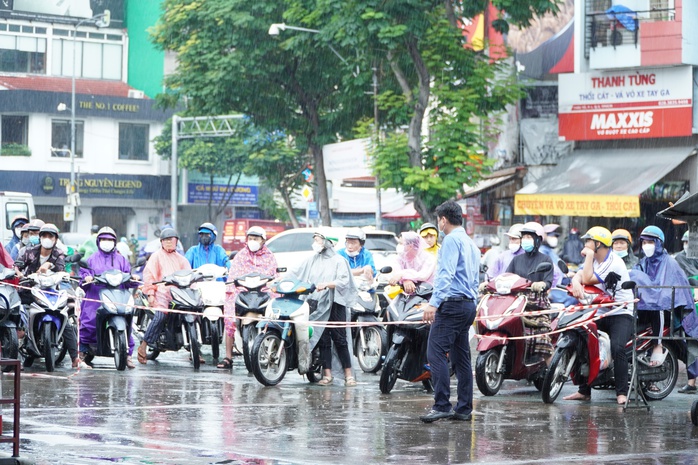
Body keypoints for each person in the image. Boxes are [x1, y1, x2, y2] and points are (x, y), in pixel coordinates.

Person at [420, 200, 479, 423]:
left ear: (443, 220)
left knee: (435, 352)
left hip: (452, 304)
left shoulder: (451, 240)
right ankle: (463, 408)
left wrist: (433, 304)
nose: (439, 224)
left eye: (439, 220)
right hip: (467, 305)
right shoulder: (470, 243)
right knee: (461, 357)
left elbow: (445, 275)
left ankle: (442, 404)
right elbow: (475, 279)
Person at [564, 226, 635, 405]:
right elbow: (580, 274)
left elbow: (587, 279)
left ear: (598, 244)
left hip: (620, 312)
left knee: (617, 347)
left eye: (588, 241)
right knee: (583, 338)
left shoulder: (613, 262)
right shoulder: (595, 260)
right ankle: (583, 390)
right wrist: (575, 280)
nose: (585, 244)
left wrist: (587, 258)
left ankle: (621, 392)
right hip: (600, 310)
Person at [289, 232, 357, 386]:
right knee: (322, 337)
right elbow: (295, 271)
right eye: (315, 240)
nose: (316, 243)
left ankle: (348, 374)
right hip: (317, 303)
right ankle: (327, 374)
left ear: (327, 241)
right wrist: (279, 279)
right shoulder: (312, 259)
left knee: (340, 338)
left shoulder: (339, 261)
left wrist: (327, 284)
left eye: (318, 240)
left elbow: (343, 281)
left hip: (334, 303)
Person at [15, 223, 80, 368]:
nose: (47, 238)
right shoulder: (30, 251)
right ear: (40, 237)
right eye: (44, 235)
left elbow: (61, 268)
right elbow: (17, 265)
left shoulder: (59, 254)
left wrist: (49, 265)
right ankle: (16, 352)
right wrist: (19, 274)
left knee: (65, 319)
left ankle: (75, 358)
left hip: (50, 292)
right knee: (18, 315)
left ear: (55, 239)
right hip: (28, 291)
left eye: (50, 236)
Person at [631, 226, 692, 368]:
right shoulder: (643, 262)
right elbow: (637, 277)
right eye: (644, 243)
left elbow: (668, 292)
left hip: (664, 309)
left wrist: (653, 295)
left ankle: (657, 344)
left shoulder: (669, 262)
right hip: (643, 306)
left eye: (650, 242)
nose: (647, 246)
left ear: (658, 243)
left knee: (657, 306)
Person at [219, 226, 277, 370]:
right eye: (250, 238)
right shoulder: (241, 255)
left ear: (263, 240)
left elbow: (274, 277)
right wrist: (233, 288)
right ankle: (228, 357)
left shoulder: (269, 257)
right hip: (242, 293)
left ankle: (273, 351)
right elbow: (233, 276)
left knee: (276, 315)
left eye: (256, 239)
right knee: (230, 317)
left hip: (263, 293)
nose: (252, 241)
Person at [79, 227, 137, 369]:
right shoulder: (91, 259)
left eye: (110, 240)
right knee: (89, 321)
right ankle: (83, 352)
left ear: (114, 242)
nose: (107, 242)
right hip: (96, 296)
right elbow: (84, 276)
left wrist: (133, 278)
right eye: (104, 239)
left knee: (127, 318)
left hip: (118, 296)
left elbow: (129, 277)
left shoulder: (122, 260)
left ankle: (127, 354)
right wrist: (86, 277)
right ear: (98, 241)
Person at [137, 228, 192, 365]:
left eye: (171, 239)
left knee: (192, 313)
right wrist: (150, 293)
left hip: (179, 295)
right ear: (161, 242)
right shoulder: (156, 257)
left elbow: (190, 277)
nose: (168, 242)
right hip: (160, 294)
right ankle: (143, 345)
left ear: (176, 241)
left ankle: (195, 350)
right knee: (160, 316)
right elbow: (149, 276)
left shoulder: (182, 259)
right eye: (165, 240)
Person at [504, 222, 555, 359]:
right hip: (516, 303)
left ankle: (550, 373)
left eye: (529, 237)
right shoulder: (516, 260)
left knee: (541, 336)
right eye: (524, 237)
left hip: (536, 304)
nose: (525, 240)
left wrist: (541, 284)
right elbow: (506, 277)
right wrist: (488, 284)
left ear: (537, 240)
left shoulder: (545, 259)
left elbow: (548, 281)